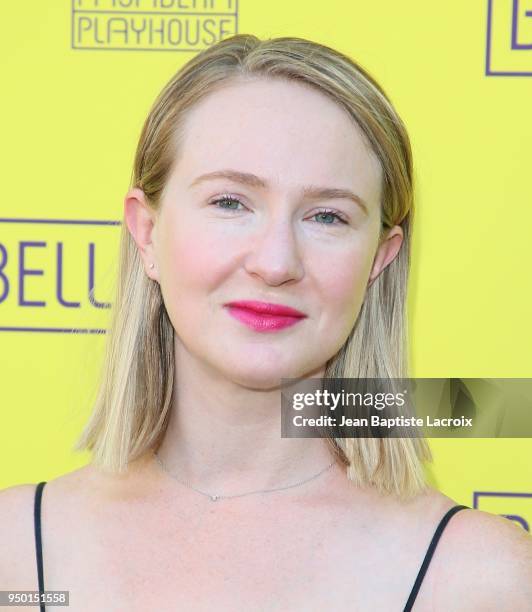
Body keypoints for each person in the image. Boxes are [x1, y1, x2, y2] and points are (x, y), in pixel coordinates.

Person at [1, 34, 531, 612]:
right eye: (230, 202)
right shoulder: (20, 560)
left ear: (380, 258)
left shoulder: (476, 578)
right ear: (147, 232)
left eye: (327, 216)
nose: (276, 263)